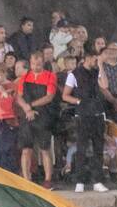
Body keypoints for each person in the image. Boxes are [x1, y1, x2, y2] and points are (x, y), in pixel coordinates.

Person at [63, 42, 107, 193]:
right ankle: (79, 181)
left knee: (98, 148)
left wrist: (100, 66)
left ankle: (97, 180)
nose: (96, 61)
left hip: (97, 114)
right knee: (81, 148)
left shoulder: (96, 71)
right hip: (82, 115)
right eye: (95, 59)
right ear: (88, 57)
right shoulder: (74, 74)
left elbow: (104, 85)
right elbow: (65, 95)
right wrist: (79, 101)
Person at [16, 50, 56, 186]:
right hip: (27, 115)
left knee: (45, 149)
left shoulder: (50, 76)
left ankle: (48, 180)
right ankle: (27, 180)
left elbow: (49, 97)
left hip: (43, 115)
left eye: (38, 64)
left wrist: (31, 105)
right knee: (26, 149)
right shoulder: (24, 77)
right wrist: (27, 108)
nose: (35, 67)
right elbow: (19, 96)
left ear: (43, 63)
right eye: (33, 64)